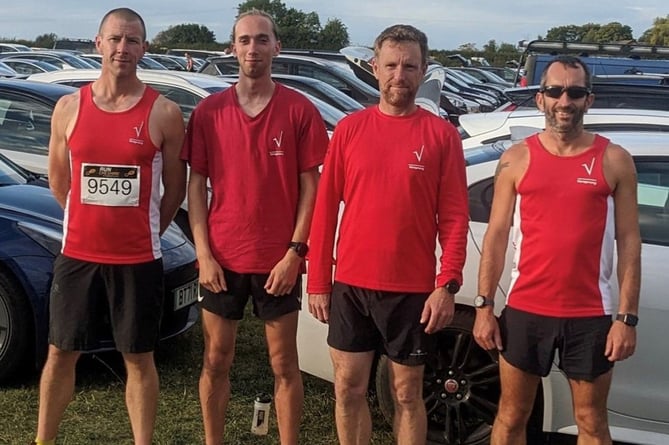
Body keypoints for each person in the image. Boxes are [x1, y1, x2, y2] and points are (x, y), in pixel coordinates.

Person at [307, 24, 469, 445]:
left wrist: (447, 284)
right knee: (348, 389)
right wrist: (320, 280)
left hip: (412, 290)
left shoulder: (442, 137)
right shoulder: (348, 130)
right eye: (392, 65)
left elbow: (454, 217)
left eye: (410, 66)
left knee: (407, 394)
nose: (400, 75)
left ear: (424, 70)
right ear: (375, 69)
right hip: (352, 287)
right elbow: (325, 211)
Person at [33, 7, 186, 445]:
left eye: (133, 40)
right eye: (115, 39)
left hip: (138, 258)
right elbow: (60, 182)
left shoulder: (165, 112)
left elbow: (174, 190)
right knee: (61, 351)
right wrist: (87, 222)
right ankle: (44, 439)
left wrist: (146, 229)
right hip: (78, 255)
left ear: (144, 48)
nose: (123, 48)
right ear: (98, 43)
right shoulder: (68, 107)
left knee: (138, 356)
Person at [473, 55, 641, 445]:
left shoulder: (614, 159)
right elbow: (497, 235)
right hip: (526, 311)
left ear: (589, 100)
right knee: (512, 417)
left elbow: (629, 240)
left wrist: (626, 318)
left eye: (575, 92)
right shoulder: (516, 158)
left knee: (591, 423)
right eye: (554, 91)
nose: (564, 100)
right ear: (540, 99)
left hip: (590, 315)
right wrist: (483, 306)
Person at [181, 9, 328, 445]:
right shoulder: (209, 112)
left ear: (276, 47)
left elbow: (311, 188)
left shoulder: (299, 110)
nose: (253, 48)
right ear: (232, 48)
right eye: (244, 40)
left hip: (277, 261)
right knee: (215, 360)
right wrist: (203, 255)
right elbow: (196, 187)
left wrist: (294, 253)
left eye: (262, 40)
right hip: (222, 260)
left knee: (285, 365)